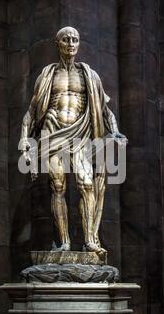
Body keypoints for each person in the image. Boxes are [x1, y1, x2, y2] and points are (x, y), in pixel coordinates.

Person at [18, 27, 127, 254]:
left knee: (87, 185)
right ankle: (64, 242)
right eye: (66, 40)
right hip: (53, 130)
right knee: (57, 186)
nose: (71, 43)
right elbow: (31, 111)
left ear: (79, 44)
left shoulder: (89, 75)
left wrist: (114, 130)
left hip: (81, 133)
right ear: (57, 44)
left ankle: (89, 240)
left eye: (75, 40)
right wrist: (24, 138)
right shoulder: (48, 75)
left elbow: (104, 110)